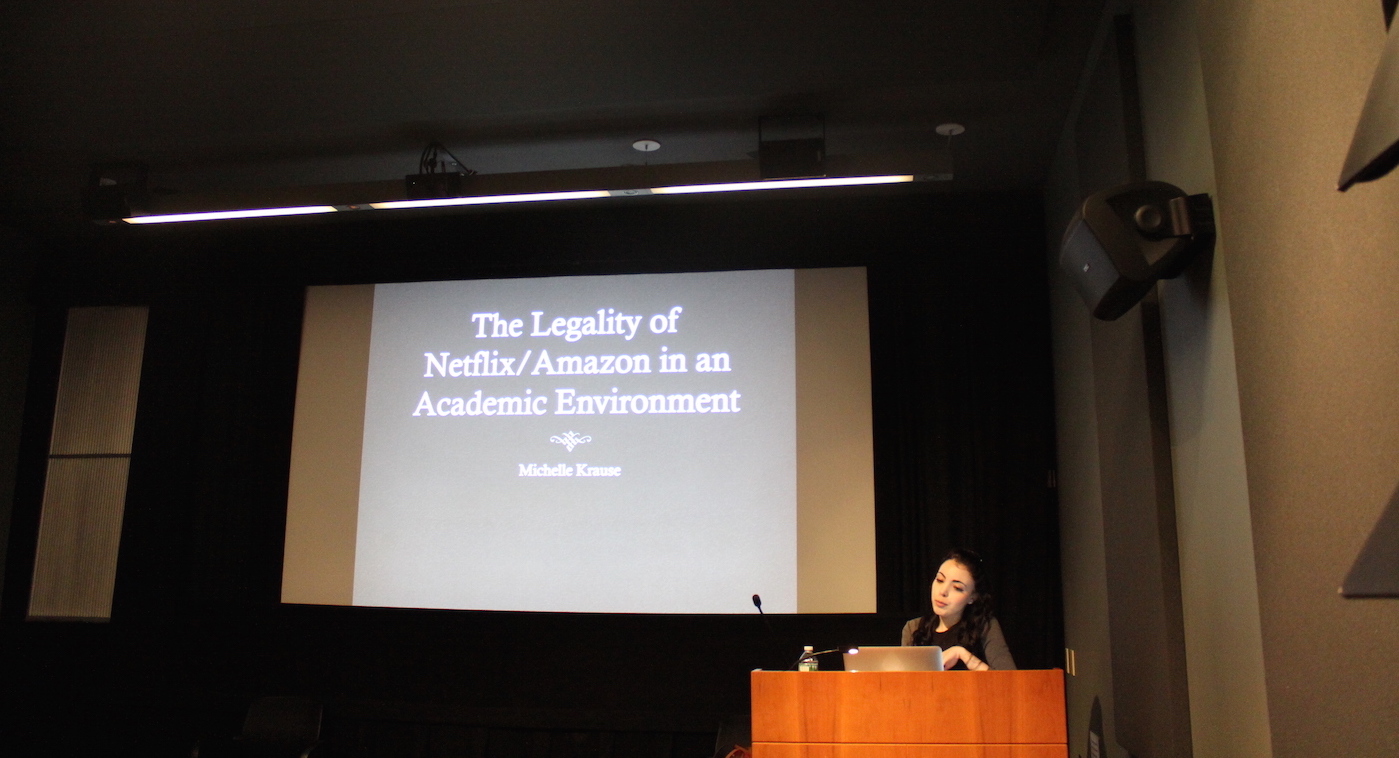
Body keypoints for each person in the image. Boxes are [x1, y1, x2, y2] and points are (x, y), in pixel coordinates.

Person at [900, 548, 1016, 671]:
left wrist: (962, 654)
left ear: (972, 597)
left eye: (957, 588)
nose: (943, 591)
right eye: (940, 580)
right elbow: (904, 679)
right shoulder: (914, 628)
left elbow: (1009, 678)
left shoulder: (984, 626)